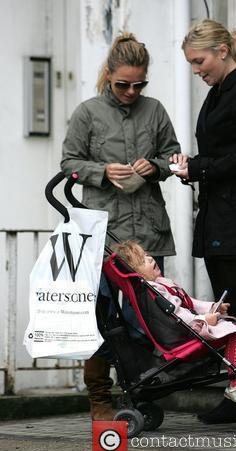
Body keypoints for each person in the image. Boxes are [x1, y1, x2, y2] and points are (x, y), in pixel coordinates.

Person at [61, 32, 180, 420]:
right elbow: (69, 163)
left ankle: (143, 394)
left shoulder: (156, 110)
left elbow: (172, 157)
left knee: (149, 314)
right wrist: (99, 171)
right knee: (101, 313)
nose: (131, 91)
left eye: (139, 84)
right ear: (108, 74)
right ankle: (100, 397)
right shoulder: (88, 112)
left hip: (147, 229)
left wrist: (157, 166)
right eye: (122, 84)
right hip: (103, 232)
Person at [170, 19, 236, 422]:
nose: (196, 70)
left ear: (223, 50)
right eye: (192, 63)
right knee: (228, 305)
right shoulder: (219, 92)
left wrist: (200, 167)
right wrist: (191, 167)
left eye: (200, 61)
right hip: (219, 212)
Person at [113, 240, 236, 407]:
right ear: (136, 273)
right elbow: (178, 316)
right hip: (187, 335)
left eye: (147, 254)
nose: (151, 258)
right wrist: (205, 320)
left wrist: (212, 307)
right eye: (144, 260)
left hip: (192, 328)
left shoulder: (161, 284)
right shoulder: (154, 292)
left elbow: (189, 303)